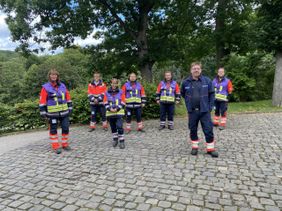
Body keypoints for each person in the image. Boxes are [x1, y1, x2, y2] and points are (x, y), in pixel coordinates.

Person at [181, 62, 218, 157]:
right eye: (194, 68)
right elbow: (183, 94)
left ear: (201, 70)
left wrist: (210, 107)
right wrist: (189, 103)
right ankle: (194, 147)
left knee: (208, 129)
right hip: (192, 111)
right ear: (191, 70)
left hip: (205, 111)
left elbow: (212, 94)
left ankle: (210, 149)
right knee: (193, 129)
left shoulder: (207, 81)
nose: (196, 70)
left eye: (198, 68)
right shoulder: (185, 82)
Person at [39, 69, 73, 154]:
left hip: (64, 112)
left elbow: (67, 96)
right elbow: (42, 100)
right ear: (49, 76)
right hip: (52, 114)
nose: (53, 76)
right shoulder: (45, 87)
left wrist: (70, 107)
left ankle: (65, 144)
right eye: (52, 75)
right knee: (53, 129)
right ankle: (55, 146)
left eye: (55, 75)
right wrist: (43, 111)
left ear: (57, 76)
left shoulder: (63, 86)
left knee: (65, 128)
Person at [104, 78, 126, 149]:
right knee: (113, 127)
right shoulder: (106, 92)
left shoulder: (121, 91)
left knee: (119, 126)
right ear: (111, 84)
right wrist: (109, 109)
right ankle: (115, 139)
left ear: (117, 84)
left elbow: (123, 101)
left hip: (119, 112)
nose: (114, 84)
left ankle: (122, 141)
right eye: (113, 83)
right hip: (110, 113)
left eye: (115, 83)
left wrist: (117, 108)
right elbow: (105, 102)